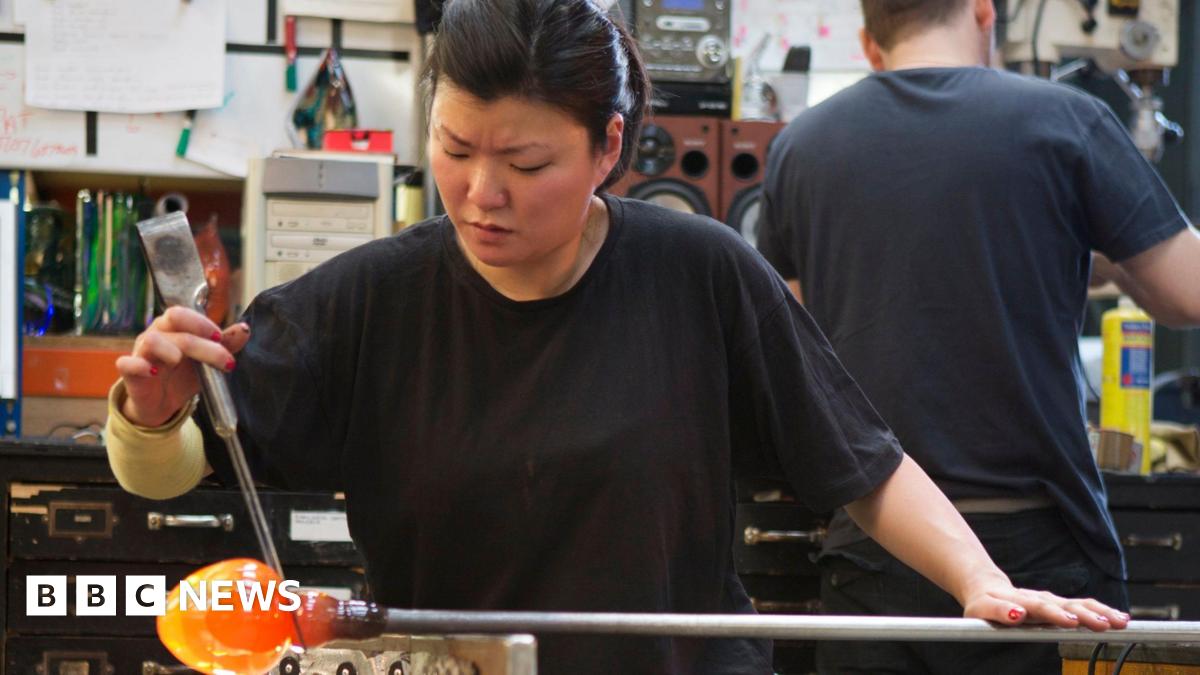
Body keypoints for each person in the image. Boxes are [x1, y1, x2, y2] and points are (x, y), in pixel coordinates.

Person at [104, 1, 1128, 673]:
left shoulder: (701, 275)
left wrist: (977, 579)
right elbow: (190, 462)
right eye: (456, 149)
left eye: (526, 162)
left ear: (609, 151)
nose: (481, 191)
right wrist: (149, 416)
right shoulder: (375, 298)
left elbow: (860, 459)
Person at [756, 0, 1200, 672]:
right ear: (985, 13)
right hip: (1035, 551)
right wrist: (1107, 254)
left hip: (873, 541)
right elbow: (1185, 294)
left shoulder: (800, 145)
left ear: (870, 44)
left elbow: (792, 349)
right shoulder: (1067, 120)